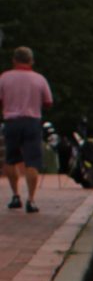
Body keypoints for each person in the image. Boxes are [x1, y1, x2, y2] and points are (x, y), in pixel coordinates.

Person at [2, 46, 55, 214]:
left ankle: (15, 196)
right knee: (32, 161)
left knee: (11, 159)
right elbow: (48, 102)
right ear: (31, 61)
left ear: (14, 60)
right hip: (32, 121)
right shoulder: (39, 79)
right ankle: (31, 200)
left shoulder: (4, 78)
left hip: (11, 122)